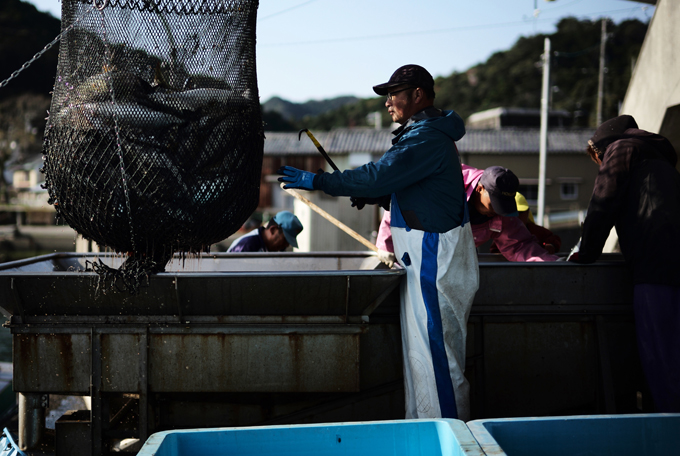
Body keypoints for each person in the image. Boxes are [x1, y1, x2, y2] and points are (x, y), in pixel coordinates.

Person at [278, 64, 478, 421]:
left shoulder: (426, 136)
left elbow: (379, 174)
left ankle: (453, 443)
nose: (388, 103)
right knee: (423, 361)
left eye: (394, 94)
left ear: (417, 94)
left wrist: (319, 181)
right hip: (423, 258)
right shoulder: (424, 133)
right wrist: (379, 198)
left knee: (438, 362)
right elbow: (413, 190)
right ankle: (426, 437)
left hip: (432, 258)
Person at [569, 115, 680, 412]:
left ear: (599, 149)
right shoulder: (660, 160)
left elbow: (603, 202)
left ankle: (669, 435)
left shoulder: (620, 149)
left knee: (662, 360)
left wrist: (586, 251)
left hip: (655, 268)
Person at [376, 165, 558, 262]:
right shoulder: (447, 183)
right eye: (494, 203)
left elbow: (520, 246)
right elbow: (401, 204)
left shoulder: (500, 213)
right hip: (419, 253)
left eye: (503, 205)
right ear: (480, 189)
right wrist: (386, 245)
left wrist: (551, 263)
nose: (497, 210)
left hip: (456, 263)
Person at [226, 211, 303, 252]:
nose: (286, 245)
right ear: (273, 230)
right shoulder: (247, 246)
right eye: (285, 239)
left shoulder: (275, 249)